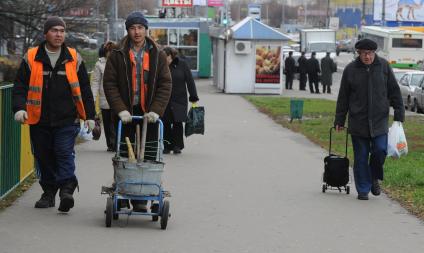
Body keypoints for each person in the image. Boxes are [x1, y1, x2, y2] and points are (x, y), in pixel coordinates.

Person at [12, 16, 96, 212]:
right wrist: (19, 109)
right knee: (43, 156)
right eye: (54, 30)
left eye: (62, 31)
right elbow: (19, 86)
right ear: (45, 34)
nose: (59, 34)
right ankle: (48, 193)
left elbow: (84, 89)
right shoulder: (31, 56)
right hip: (38, 118)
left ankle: (66, 190)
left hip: (67, 119)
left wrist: (90, 116)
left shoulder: (74, 57)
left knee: (63, 152)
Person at [103, 11, 172, 212]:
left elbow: (165, 84)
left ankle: (142, 197)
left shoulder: (157, 53)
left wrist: (156, 111)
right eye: (133, 28)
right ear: (128, 30)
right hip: (126, 113)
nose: (137, 32)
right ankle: (123, 192)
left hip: (149, 114)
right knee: (124, 153)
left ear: (146, 29)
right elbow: (110, 84)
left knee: (149, 153)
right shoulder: (117, 53)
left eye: (140, 28)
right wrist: (120, 110)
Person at [334, 38, 405, 200]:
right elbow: (343, 97)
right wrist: (339, 119)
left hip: (379, 120)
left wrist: (399, 114)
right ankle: (363, 189)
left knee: (380, 150)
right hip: (358, 121)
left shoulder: (384, 67)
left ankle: (373, 177)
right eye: (364, 53)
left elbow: (394, 91)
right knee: (360, 156)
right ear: (358, 53)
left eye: (370, 53)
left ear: (374, 53)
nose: (367, 56)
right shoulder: (351, 70)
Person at [162, 47, 199, 154]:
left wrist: (193, 97)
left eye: (166, 57)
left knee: (177, 122)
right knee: (166, 123)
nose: (165, 59)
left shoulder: (182, 64)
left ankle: (177, 146)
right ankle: (167, 146)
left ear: (171, 56)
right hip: (165, 99)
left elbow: (190, 81)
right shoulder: (162, 66)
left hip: (179, 99)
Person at [91, 41, 116, 151]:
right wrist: (92, 97)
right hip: (104, 98)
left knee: (116, 122)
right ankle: (110, 144)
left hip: (117, 98)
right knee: (107, 122)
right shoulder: (99, 64)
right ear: (104, 52)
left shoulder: (119, 63)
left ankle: (117, 143)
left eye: (112, 51)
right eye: (108, 51)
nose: (110, 53)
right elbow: (95, 82)